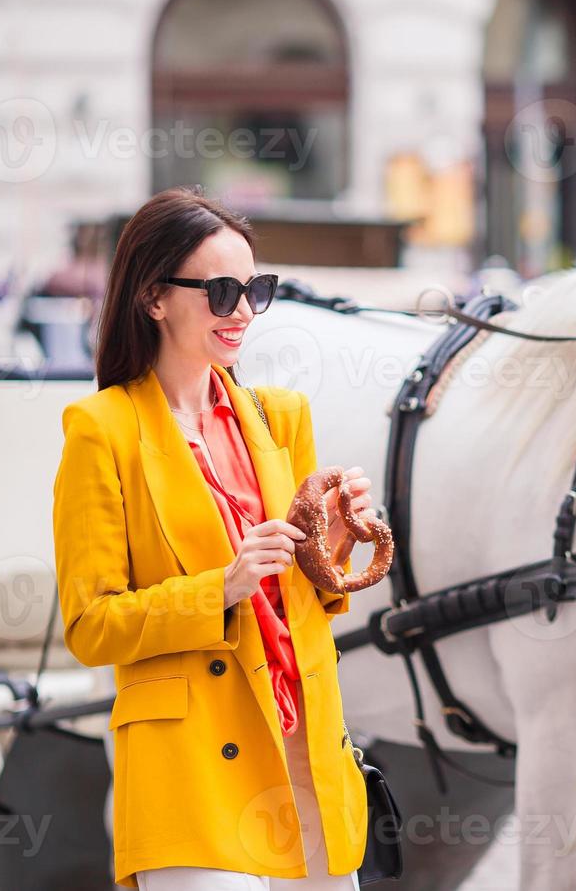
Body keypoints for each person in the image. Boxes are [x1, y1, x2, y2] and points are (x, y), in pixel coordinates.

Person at [52, 186, 369, 889]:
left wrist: (336, 547)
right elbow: (90, 625)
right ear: (154, 298)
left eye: (257, 288)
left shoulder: (282, 418)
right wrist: (221, 589)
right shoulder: (101, 430)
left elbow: (303, 598)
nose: (244, 311)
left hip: (304, 751)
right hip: (191, 766)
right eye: (222, 289)